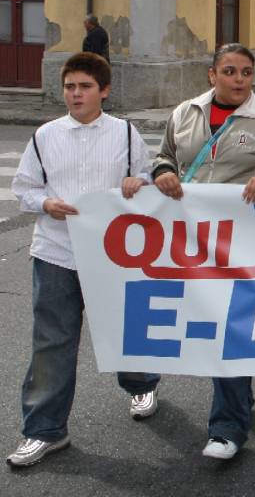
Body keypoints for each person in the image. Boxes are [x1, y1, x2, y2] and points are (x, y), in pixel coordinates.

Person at [149, 43, 255, 460]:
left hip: (242, 244)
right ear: (212, 75)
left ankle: (227, 426)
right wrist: (164, 171)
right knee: (195, 326)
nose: (239, 80)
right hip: (189, 242)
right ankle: (234, 403)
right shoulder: (185, 114)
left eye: (246, 72)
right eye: (230, 71)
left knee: (228, 331)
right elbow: (164, 156)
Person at [7, 53, 159, 468]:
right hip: (56, 251)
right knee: (52, 341)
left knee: (127, 328)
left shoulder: (126, 134)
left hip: (114, 254)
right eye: (70, 86)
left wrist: (138, 182)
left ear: (104, 91)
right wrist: (47, 202)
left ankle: (141, 385)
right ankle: (44, 430)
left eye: (85, 86)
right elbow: (24, 189)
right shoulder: (45, 135)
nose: (75, 94)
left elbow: (146, 180)